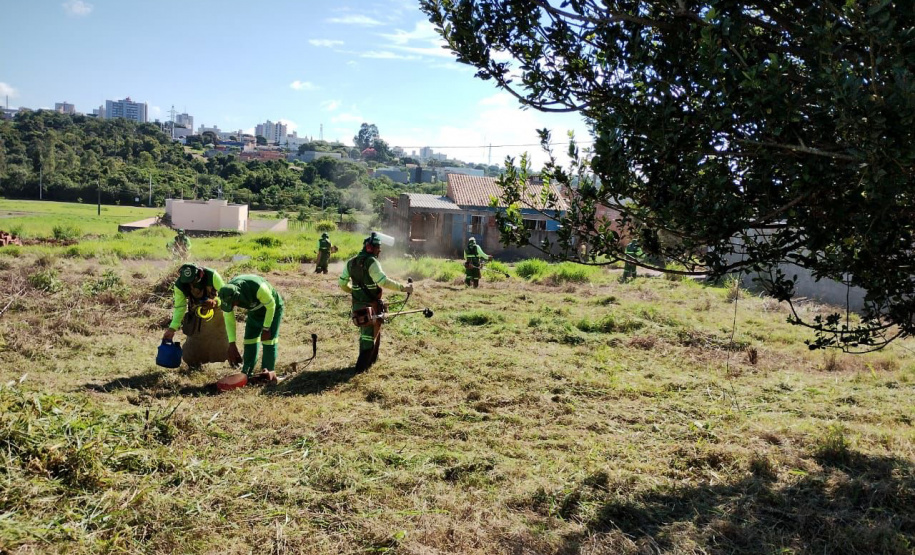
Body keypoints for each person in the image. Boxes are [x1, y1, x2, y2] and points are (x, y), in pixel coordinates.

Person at [339, 232, 413, 372]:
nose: (380, 250)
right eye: (378, 247)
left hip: (357, 305)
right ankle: (361, 369)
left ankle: (371, 362)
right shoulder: (371, 262)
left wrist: (354, 291)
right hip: (370, 306)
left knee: (367, 333)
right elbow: (383, 281)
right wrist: (404, 288)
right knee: (368, 336)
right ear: (370, 248)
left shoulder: (351, 262)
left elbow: (342, 283)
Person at [217, 274, 284, 381]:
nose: (233, 306)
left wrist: (266, 328)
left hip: (272, 308)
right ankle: (247, 372)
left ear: (237, 296)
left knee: (269, 340)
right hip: (255, 310)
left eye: (233, 304)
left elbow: (271, 306)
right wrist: (232, 344)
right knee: (249, 340)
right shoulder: (225, 296)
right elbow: (229, 319)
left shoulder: (257, 287)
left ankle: (267, 373)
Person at [163, 263, 231, 366]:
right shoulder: (180, 284)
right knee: (190, 356)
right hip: (196, 314)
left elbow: (226, 295)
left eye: (193, 281)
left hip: (217, 312)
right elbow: (180, 307)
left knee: (221, 343)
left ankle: (231, 360)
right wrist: (172, 328)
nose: (191, 285)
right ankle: (196, 363)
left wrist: (215, 302)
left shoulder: (212, 275)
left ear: (201, 274)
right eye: (188, 282)